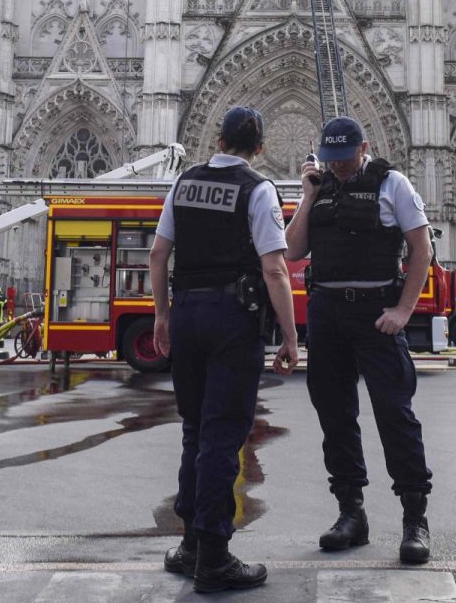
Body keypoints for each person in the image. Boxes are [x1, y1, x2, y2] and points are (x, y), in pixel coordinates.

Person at [149, 106, 300, 593]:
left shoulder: (183, 184)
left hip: (188, 314)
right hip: (232, 320)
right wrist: (291, 335)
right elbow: (275, 270)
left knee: (195, 430)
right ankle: (213, 555)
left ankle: (191, 542)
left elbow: (158, 254)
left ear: (218, 139)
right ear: (258, 147)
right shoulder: (258, 189)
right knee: (222, 436)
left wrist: (162, 314)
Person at [285, 116, 435, 566]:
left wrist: (403, 310)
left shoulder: (393, 185)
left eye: (346, 158)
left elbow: (421, 249)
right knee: (335, 417)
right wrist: (308, 198)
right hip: (327, 312)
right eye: (332, 160)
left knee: (395, 415)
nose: (340, 168)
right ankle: (351, 514)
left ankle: (414, 520)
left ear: (363, 147)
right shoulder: (321, 187)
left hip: (376, 313)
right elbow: (291, 250)